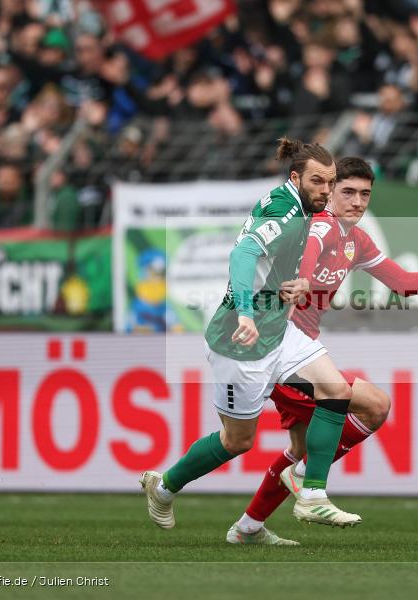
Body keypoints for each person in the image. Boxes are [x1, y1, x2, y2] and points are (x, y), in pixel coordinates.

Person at [226, 156, 418, 545]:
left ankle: (248, 527)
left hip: (301, 349)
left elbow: (402, 282)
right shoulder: (319, 226)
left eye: (364, 193)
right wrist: (299, 279)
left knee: (301, 445)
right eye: (347, 191)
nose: (357, 200)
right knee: (374, 404)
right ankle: (308, 481)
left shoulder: (356, 239)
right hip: (278, 347)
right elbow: (304, 253)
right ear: (329, 192)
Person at [140, 138, 362, 533]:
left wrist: (292, 285)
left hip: (277, 328)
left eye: (330, 182)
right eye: (318, 182)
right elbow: (243, 254)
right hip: (240, 340)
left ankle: (313, 495)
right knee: (237, 441)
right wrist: (245, 312)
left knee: (337, 390)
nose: (326, 191)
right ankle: (165, 487)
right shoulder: (284, 208)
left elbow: (272, 262)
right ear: (296, 178)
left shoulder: (305, 207)